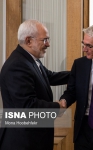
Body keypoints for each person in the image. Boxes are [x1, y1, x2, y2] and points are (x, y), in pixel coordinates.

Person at [0, 19, 69, 150]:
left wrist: (81, 73)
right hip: (23, 141)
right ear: (28, 41)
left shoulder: (29, 60)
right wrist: (57, 107)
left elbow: (49, 76)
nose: (48, 44)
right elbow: (27, 106)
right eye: (44, 40)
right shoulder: (17, 65)